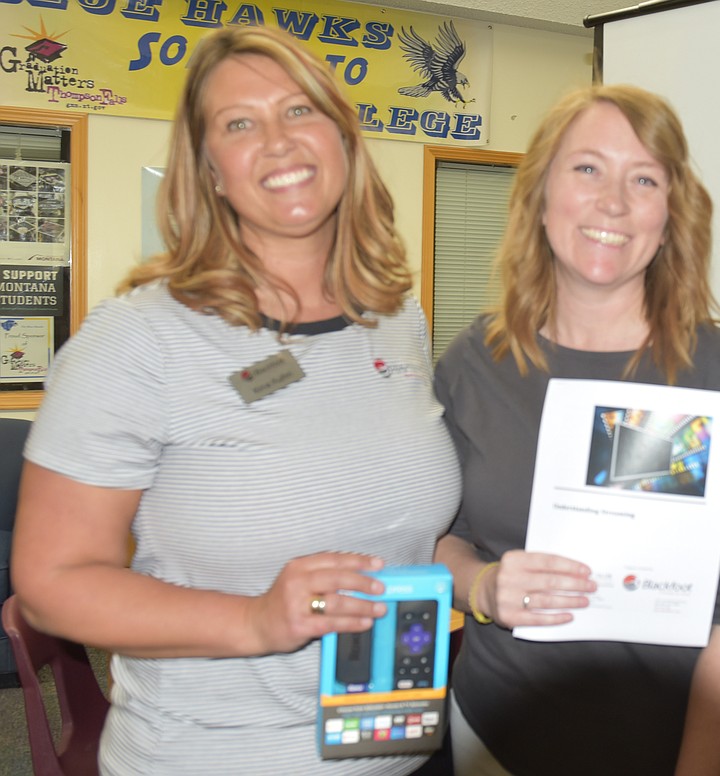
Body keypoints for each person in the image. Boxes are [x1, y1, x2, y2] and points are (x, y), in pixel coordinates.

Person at [11, 26, 460, 775]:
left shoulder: (396, 319)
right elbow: (52, 586)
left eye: (299, 111)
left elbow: (402, 526)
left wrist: (484, 577)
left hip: (399, 748)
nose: (278, 142)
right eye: (239, 124)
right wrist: (254, 620)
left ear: (344, 138)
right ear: (211, 171)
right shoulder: (139, 339)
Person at [432, 84, 720, 776]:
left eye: (643, 179)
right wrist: (482, 587)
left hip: (666, 748)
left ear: (671, 213)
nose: (612, 202)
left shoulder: (718, 375)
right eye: (587, 168)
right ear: (540, 192)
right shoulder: (475, 363)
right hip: (490, 737)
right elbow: (438, 540)